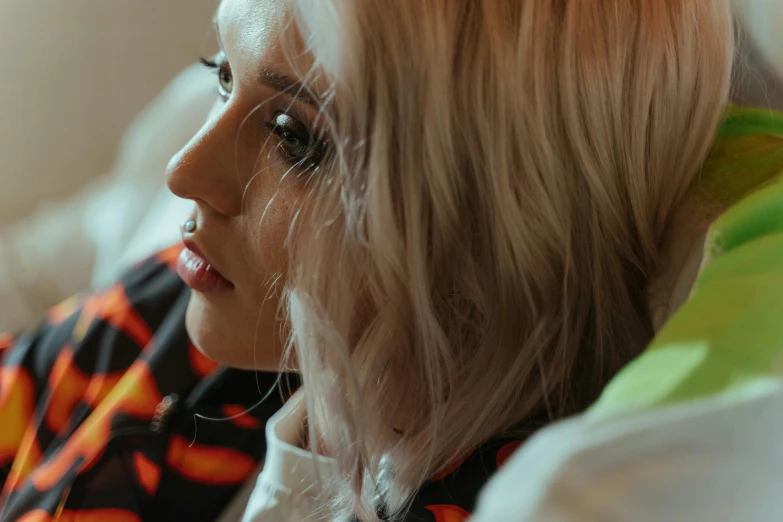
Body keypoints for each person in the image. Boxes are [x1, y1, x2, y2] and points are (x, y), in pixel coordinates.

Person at [0, 0, 760, 520]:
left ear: (490, 223)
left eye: (295, 138)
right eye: (221, 74)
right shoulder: (189, 297)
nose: (185, 171)